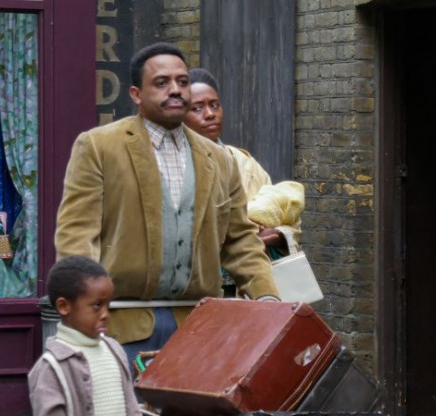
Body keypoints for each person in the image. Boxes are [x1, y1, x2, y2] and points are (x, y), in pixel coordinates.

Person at [55, 43, 279, 364]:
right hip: (120, 327)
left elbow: (241, 240)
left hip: (196, 328)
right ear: (136, 94)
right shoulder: (99, 147)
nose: (175, 89)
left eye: (182, 81)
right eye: (161, 83)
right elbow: (77, 234)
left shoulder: (219, 159)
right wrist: (84, 314)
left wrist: (268, 297)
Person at [184, 67, 303, 255]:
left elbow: (288, 220)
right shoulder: (175, 168)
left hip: (254, 270)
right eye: (197, 108)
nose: (210, 114)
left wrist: (278, 234)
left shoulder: (244, 163)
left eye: (215, 105)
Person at [28, 256, 140, 416]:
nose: (105, 314)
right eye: (97, 305)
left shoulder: (115, 350)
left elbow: (132, 406)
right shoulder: (51, 367)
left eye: (108, 305)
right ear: (64, 306)